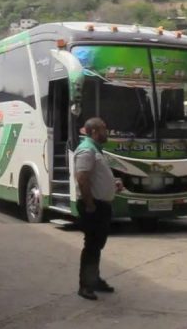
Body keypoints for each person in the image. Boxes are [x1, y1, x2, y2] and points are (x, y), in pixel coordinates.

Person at [75, 117, 122, 300]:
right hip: (93, 206)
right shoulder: (87, 150)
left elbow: (96, 177)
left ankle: (94, 279)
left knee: (97, 245)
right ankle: (86, 285)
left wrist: (113, 184)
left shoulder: (96, 150)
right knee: (92, 246)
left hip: (100, 205)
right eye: (104, 129)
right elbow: (82, 178)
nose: (106, 132)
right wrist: (90, 204)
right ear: (94, 131)